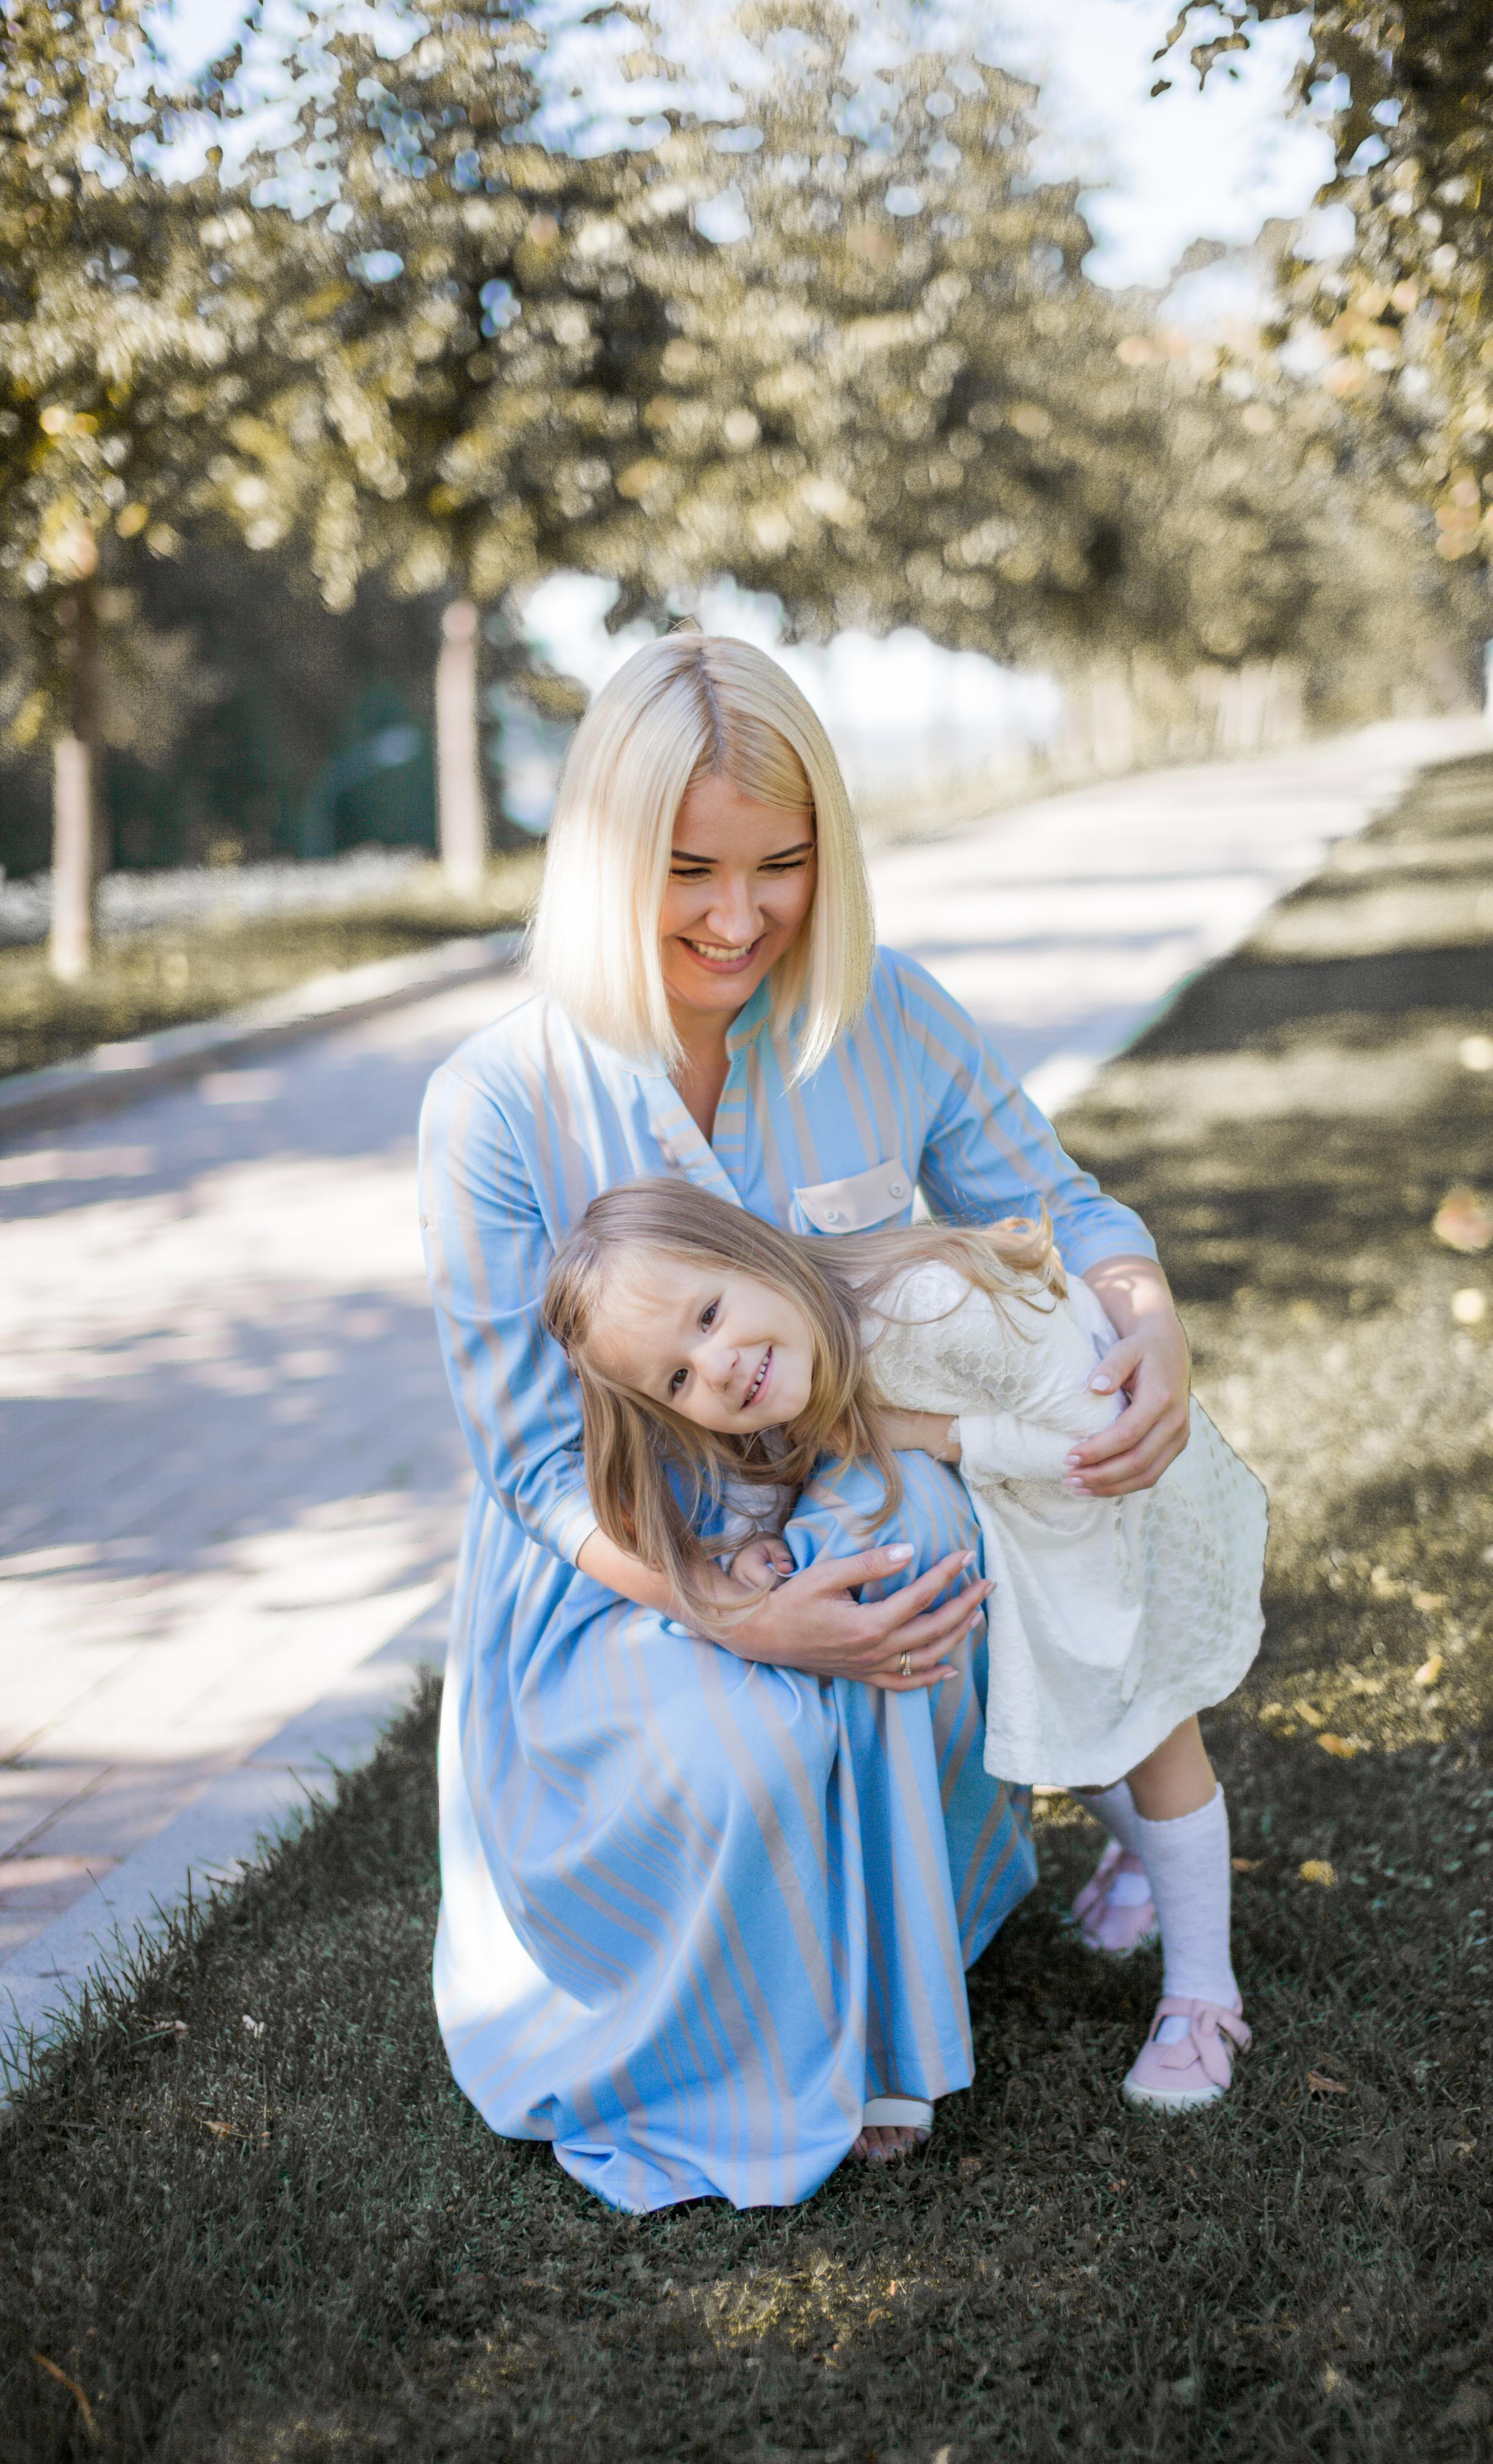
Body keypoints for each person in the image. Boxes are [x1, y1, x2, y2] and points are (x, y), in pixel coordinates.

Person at [417, 630, 1193, 2212]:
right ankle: (762, 2043)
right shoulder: (494, 1105)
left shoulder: (882, 1013)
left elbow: (1054, 1203)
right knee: (742, 1762)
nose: (735, 917)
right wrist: (716, 1601)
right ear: (601, 860)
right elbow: (532, 1466)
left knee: (914, 1554)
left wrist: (1147, 1311)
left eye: (780, 864)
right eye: (687, 867)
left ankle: (900, 2012)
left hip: (871, 1498)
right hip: (624, 1557)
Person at [544, 1176, 1266, 2112]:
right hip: (1029, 1521)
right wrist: (761, 1544)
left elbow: (1104, 1437)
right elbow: (789, 1457)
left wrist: (935, 1434)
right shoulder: (782, 1367)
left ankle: (1206, 1996)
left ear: (756, 1257)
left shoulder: (931, 1306)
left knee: (1156, 1734)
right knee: (1074, 1741)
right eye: (678, 1378)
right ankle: (1150, 1864)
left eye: (710, 1314)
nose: (716, 1368)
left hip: (1124, 1505)